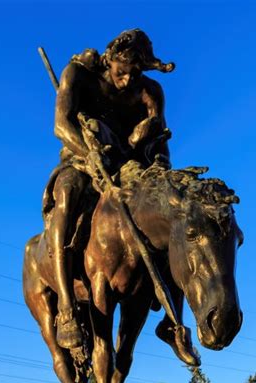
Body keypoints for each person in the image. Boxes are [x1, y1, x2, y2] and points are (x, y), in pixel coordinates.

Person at [45, 29, 196, 364]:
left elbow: (162, 148)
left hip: (131, 170)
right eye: (121, 71)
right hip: (83, 161)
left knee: (172, 213)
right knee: (67, 198)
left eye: (135, 72)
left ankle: (174, 324)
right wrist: (88, 153)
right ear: (109, 59)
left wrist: (156, 165)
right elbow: (60, 125)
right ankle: (68, 308)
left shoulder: (151, 92)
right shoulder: (80, 73)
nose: (127, 79)